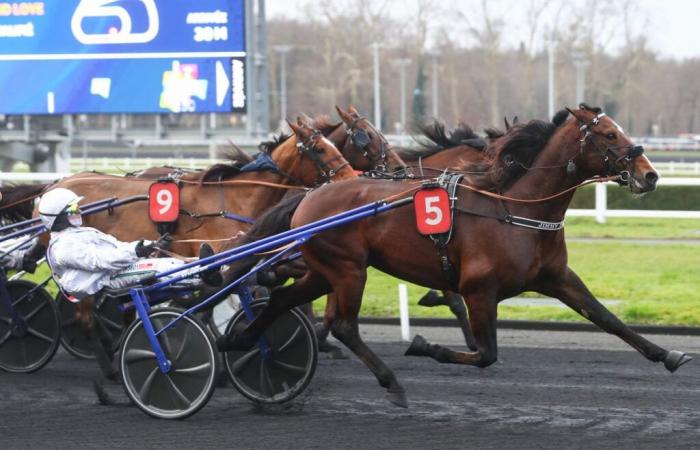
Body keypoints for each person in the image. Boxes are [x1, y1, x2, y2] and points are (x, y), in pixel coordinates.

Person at [38, 188, 221, 301]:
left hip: (111, 271)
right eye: (72, 209)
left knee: (164, 262)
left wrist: (150, 245)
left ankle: (211, 266)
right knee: (156, 267)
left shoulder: (81, 233)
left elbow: (117, 247)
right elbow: (101, 261)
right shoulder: (63, 247)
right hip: (105, 279)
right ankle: (202, 275)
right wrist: (137, 252)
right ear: (58, 216)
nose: (79, 211)